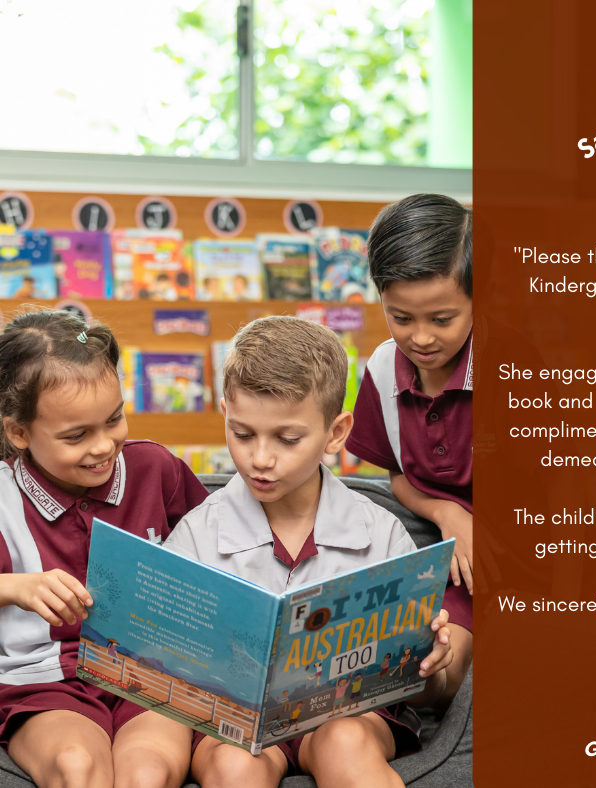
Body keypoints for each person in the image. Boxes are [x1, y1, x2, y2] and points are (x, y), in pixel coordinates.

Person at [162, 316, 453, 788]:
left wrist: (430, 664)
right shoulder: (197, 533)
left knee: (345, 743)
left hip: (349, 718)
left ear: (335, 433)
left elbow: (428, 692)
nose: (260, 458)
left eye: (287, 439)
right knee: (234, 762)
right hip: (235, 724)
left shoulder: (381, 534)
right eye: (242, 433)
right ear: (225, 415)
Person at [0, 310, 208, 788]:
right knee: (77, 767)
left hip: (152, 669)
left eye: (113, 419)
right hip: (45, 680)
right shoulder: (5, 498)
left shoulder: (156, 468)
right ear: (19, 433)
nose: (103, 447)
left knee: (148, 772)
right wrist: (16, 586)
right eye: (76, 436)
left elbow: (219, 552)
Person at [345, 194, 473, 712]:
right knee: (423, 656)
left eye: (442, 319)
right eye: (401, 317)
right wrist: (448, 513)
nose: (420, 337)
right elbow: (396, 478)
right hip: (436, 551)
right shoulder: (380, 370)